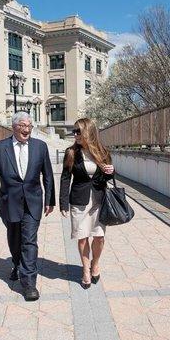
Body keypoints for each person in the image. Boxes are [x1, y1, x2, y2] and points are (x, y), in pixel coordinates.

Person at [0, 111, 55, 301]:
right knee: (15, 239)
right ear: (14, 127)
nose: (27, 129)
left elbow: (47, 175)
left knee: (29, 240)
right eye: (23, 125)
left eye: (30, 126)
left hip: (33, 202)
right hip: (9, 203)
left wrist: (50, 200)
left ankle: (29, 283)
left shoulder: (40, 147)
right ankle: (17, 263)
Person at [59, 118, 114, 289]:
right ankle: (85, 269)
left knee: (99, 237)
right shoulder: (71, 152)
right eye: (74, 131)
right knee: (82, 238)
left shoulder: (102, 152)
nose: (75, 134)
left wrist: (111, 172)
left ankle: (95, 264)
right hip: (79, 202)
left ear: (88, 132)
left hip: (98, 200)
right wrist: (63, 203)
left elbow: (106, 176)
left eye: (78, 131)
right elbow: (65, 179)